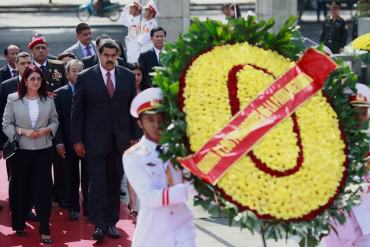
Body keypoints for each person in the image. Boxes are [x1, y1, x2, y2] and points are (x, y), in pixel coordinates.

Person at [71, 38, 138, 241]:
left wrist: (135, 137)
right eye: (106, 55)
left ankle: (111, 223)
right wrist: (77, 140)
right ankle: (98, 224)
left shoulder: (127, 76)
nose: (110, 59)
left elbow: (132, 109)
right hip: (94, 140)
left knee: (114, 183)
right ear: (99, 54)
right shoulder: (85, 77)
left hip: (121, 141)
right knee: (97, 183)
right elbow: (77, 112)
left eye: (113, 56)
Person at [123, 88, 197, 247]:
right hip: (153, 234)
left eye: (161, 118)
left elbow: (193, 177)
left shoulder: (178, 149)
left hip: (183, 229)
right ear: (140, 123)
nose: (157, 125)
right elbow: (149, 198)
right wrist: (190, 188)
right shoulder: (133, 155)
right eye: (150, 120)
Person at [2, 64, 59, 244]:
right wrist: (22, 131)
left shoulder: (48, 99)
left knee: (43, 190)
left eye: (38, 78)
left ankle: (44, 229)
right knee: (20, 188)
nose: (35, 81)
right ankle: (19, 224)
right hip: (21, 151)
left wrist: (46, 131)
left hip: (43, 149)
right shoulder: (13, 99)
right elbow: (6, 124)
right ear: (25, 80)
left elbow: (55, 121)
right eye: (32, 78)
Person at [324, 83, 370, 247]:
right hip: (338, 222)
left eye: (363, 112)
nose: (359, 117)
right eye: (353, 111)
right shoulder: (330, 139)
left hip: (366, 219)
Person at [0, 52, 38, 220]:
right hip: (13, 140)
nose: (26, 65)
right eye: (22, 63)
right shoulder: (6, 86)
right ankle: (17, 210)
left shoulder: (38, 83)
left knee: (32, 177)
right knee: (16, 178)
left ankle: (28, 208)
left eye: (29, 62)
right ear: (16, 66)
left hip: (35, 140)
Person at [54, 59, 89, 221]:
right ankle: (73, 207)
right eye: (73, 70)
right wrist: (59, 142)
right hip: (68, 142)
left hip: (89, 141)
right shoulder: (60, 93)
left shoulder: (92, 91)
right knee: (72, 177)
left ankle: (88, 208)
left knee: (89, 177)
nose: (76, 73)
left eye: (79, 70)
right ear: (67, 74)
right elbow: (56, 121)